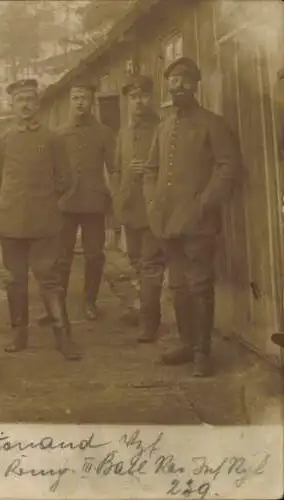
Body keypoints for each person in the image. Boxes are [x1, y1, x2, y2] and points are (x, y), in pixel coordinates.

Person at [143, 57, 242, 376]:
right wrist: (153, 202)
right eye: (173, 80)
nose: (178, 85)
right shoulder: (163, 126)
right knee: (178, 286)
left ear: (196, 84)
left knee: (200, 285)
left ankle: (202, 352)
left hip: (199, 222)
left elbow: (228, 166)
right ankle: (186, 344)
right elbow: (150, 170)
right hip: (167, 221)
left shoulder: (213, 123)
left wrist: (204, 202)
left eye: (185, 80)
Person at [0, 78, 80, 360]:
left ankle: (63, 337)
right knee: (14, 281)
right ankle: (19, 335)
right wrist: (11, 205)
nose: (25, 105)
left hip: (44, 224)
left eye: (30, 99)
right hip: (11, 224)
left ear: (37, 104)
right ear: (12, 104)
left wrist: (43, 203)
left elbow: (65, 180)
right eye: (20, 100)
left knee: (50, 281)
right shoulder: (4, 140)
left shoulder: (52, 139)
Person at [38, 76, 117, 322]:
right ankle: (56, 306)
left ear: (92, 101)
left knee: (94, 255)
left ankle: (89, 302)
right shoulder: (58, 134)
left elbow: (114, 169)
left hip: (94, 204)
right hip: (66, 205)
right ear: (70, 102)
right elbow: (49, 171)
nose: (80, 102)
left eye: (84, 97)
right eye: (75, 98)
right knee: (61, 257)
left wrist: (114, 202)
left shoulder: (104, 133)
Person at [114, 74, 165, 342]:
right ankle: (141, 308)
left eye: (143, 96)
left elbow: (171, 169)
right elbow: (117, 169)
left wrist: (148, 169)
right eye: (133, 97)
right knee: (135, 262)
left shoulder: (162, 127)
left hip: (152, 209)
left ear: (151, 97)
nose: (138, 101)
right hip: (130, 208)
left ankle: (150, 322)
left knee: (150, 265)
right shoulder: (124, 132)